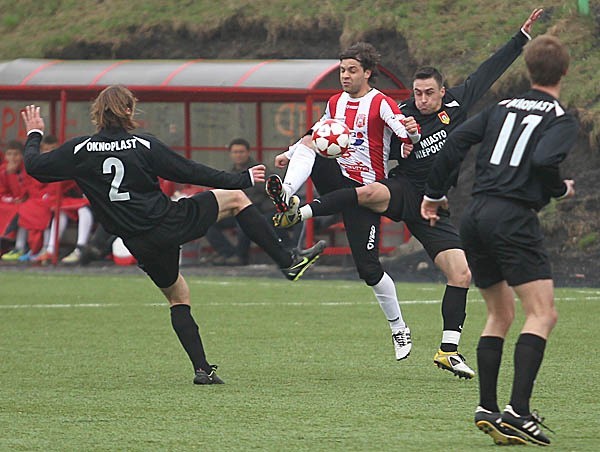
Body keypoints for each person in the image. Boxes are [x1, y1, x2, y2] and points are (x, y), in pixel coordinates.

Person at [274, 9, 544, 378]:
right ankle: (297, 209)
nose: (422, 99)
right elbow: (364, 139)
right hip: (403, 187)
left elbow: (488, 71)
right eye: (416, 93)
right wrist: (300, 149)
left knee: (461, 271)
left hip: (432, 204)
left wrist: (521, 39)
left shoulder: (456, 105)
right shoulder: (399, 112)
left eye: (428, 93)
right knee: (367, 192)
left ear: (442, 92)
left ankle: (448, 349)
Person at [21, 85, 325, 385]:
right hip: (168, 222)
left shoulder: (78, 150)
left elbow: (34, 166)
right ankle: (288, 261)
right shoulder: (142, 144)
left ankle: (202, 369)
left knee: (178, 296)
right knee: (236, 200)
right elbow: (188, 171)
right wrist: (240, 178)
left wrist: (35, 133)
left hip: (138, 242)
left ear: (97, 114)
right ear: (129, 110)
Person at [421, 34, 576, 446]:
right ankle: (518, 413)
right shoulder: (561, 117)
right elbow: (544, 161)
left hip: (475, 214)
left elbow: (454, 142)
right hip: (512, 217)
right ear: (564, 71)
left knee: (499, 315)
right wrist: (559, 190)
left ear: (527, 71)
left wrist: (434, 195)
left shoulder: (500, 108)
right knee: (542, 314)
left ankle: (487, 408)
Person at [267, 42, 422, 361]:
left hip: (367, 192)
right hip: (337, 177)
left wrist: (412, 133)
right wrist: (289, 152)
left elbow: (407, 135)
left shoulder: (381, 103)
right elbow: (317, 132)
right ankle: (286, 194)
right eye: (341, 70)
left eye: (352, 70)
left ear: (367, 72)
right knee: (312, 142)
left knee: (369, 270)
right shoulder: (335, 101)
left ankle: (398, 326)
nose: (345, 76)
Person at [205, 138, 299, 265]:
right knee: (209, 223)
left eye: (241, 152)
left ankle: (241, 257)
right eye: (235, 152)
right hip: (234, 210)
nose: (238, 155)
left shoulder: (259, 170)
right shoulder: (230, 172)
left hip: (258, 210)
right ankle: (228, 253)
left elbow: (268, 192)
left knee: (244, 222)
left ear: (248, 152)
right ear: (230, 154)